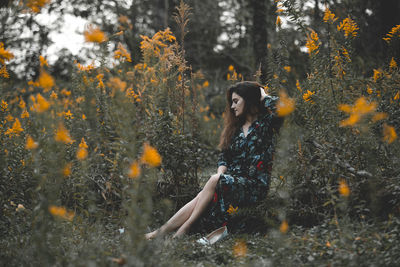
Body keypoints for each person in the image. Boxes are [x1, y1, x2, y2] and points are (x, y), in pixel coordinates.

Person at [145, 81, 283, 239]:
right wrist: (218, 178)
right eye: (231, 102)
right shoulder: (235, 128)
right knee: (207, 189)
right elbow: (224, 157)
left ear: (250, 100)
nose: (232, 106)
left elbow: (285, 109)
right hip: (231, 182)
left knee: (214, 182)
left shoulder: (267, 123)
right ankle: (160, 232)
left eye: (236, 101)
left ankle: (182, 229)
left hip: (255, 187)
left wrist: (263, 95)